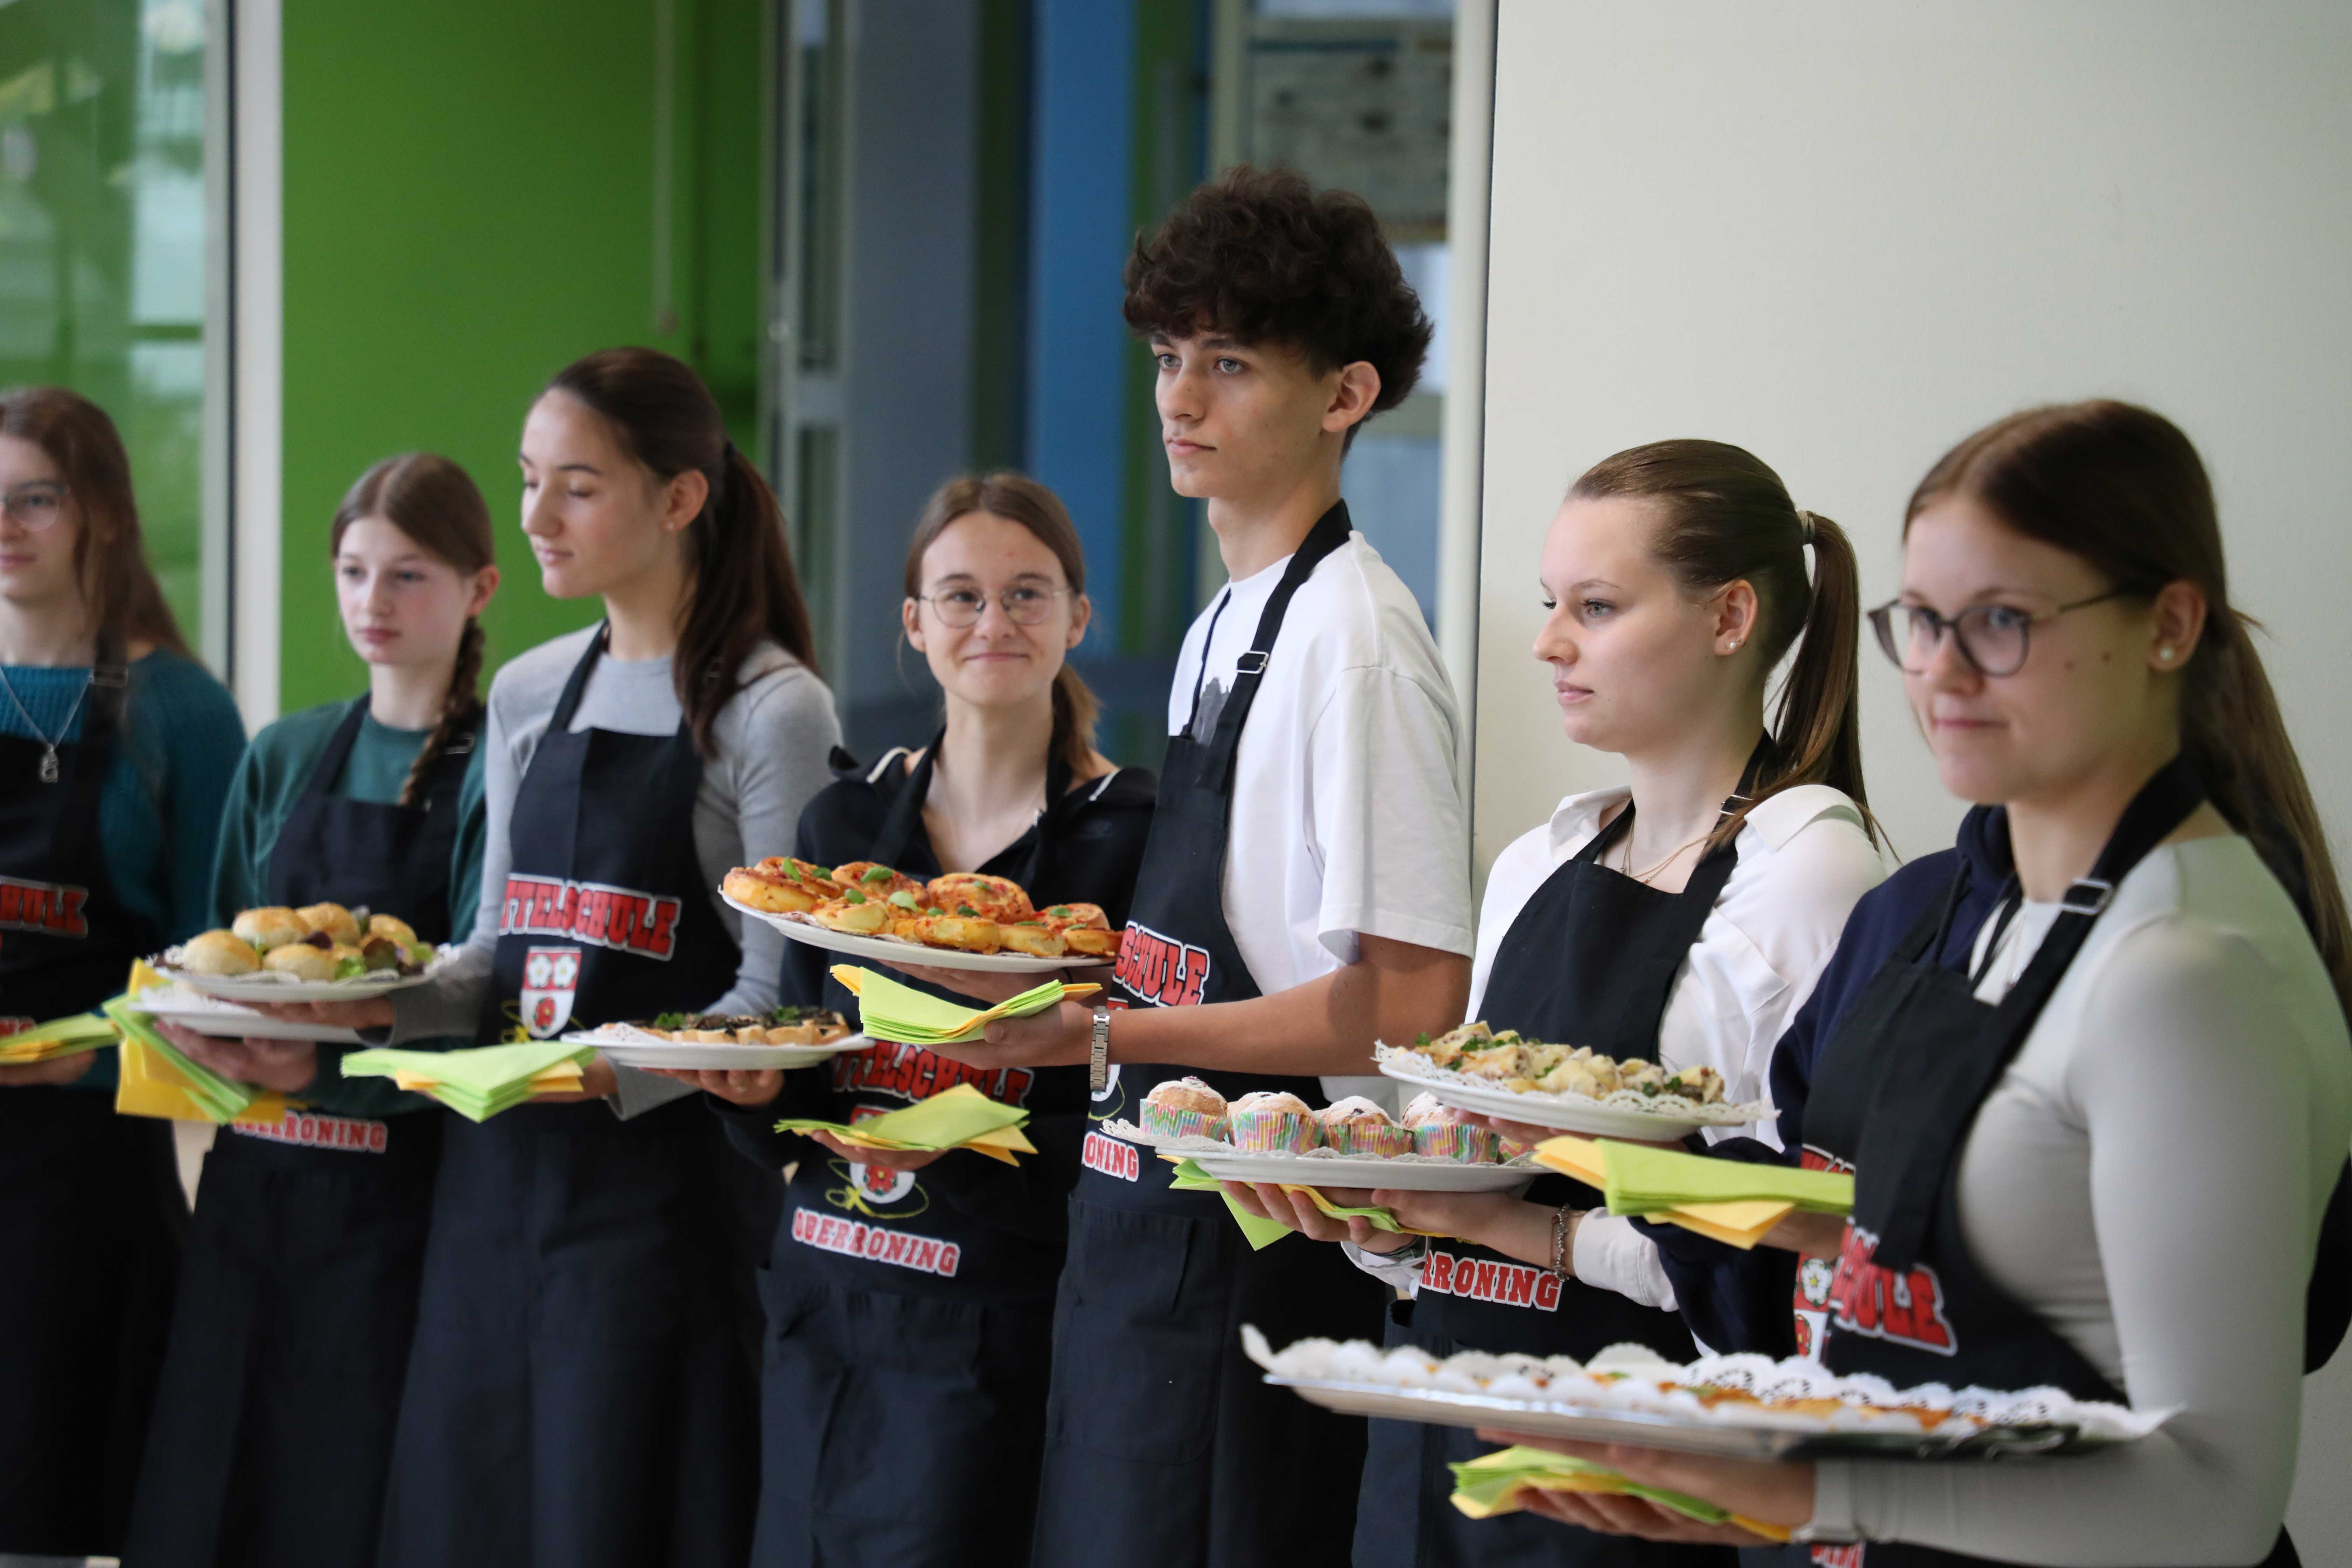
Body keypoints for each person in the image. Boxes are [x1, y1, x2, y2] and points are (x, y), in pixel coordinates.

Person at [1489, 401, 2352, 1567]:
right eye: (1924, 623)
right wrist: (1551, 1193)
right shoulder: (1955, 907)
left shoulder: (2187, 970)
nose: (1941, 671)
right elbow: (1865, 1230)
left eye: (2002, 622)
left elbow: (2215, 1504)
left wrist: (1808, 1493)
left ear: (2169, 627)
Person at [906, 168, 1476, 1567]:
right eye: (1170, 357)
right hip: (1138, 1235)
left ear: (1346, 394)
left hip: (1263, 1253)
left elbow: (1411, 1004)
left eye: (1229, 363)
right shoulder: (1229, 619)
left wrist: (1104, 1034)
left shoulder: (1359, 645)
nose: (1180, 396)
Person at [1232, 441, 1886, 1568]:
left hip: (1639, 1473)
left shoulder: (1811, 872)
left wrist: (1514, 1231)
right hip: (1445, 1430)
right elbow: (1468, 1164)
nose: (1549, 643)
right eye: (1552, 604)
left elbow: (1787, 1259)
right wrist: (1387, 1222)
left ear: (1731, 617)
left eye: (1597, 606)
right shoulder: (1542, 859)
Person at [274, 347, 841, 1567]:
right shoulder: (530, 693)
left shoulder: (773, 708)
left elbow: (776, 996)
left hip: (662, 1218)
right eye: (530, 480)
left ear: (679, 498)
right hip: (493, 1206)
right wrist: (348, 1009)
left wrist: (605, 1070)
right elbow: (494, 952)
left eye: (576, 488)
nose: (535, 517)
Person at [669, 472, 1157, 1567]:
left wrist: (982, 1141)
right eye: (961, 596)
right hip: (831, 1295)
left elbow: (1141, 1107)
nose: (994, 622)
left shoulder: (1130, 839)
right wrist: (751, 1096)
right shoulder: (840, 833)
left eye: (1027, 594)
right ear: (914, 623)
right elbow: (806, 1062)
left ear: (1079, 617)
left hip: (1004, 1318)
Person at [124, 453, 498, 1568]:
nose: (374, 601)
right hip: (253, 1191)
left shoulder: (502, 768)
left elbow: (486, 1012)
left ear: (480, 588)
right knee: (212, 1497)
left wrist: (325, 1072)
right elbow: (214, 952)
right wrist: (198, 1045)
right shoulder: (285, 752)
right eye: (353, 572)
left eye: (408, 575)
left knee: (359, 1510)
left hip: (407, 1210)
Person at [0, 385, 245, 1557]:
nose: (6, 526)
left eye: (35, 499)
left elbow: (219, 974)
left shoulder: (183, 714)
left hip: (82, 1186)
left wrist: (83, 1061)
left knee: (46, 1502)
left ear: (99, 511)